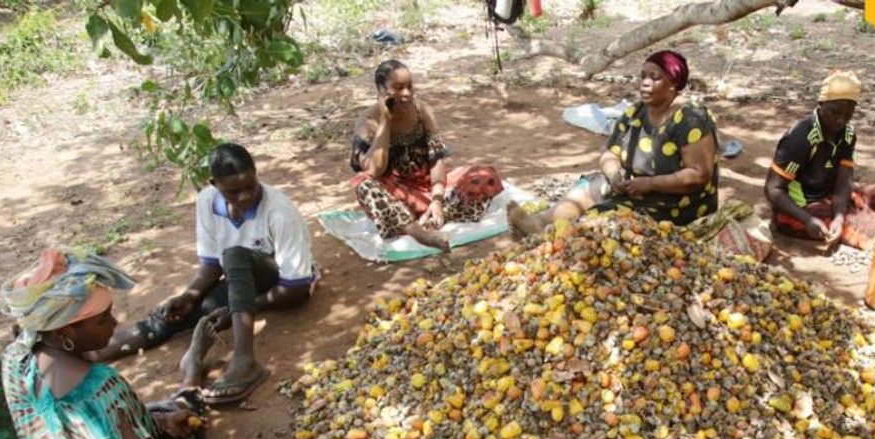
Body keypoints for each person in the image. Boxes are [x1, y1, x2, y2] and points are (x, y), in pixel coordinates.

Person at [0, 250, 265, 439]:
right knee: (187, 422)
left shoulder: (16, 356)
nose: (115, 323)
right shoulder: (101, 387)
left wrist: (159, 423)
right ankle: (191, 371)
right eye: (103, 320)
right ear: (65, 334)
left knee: (157, 415)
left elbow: (78, 430)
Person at [98, 143, 316, 405]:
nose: (245, 196)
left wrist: (243, 309)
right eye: (234, 191)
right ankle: (98, 349)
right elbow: (213, 264)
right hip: (239, 280)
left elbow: (296, 288)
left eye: (251, 185)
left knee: (235, 255)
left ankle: (244, 360)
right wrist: (190, 295)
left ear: (256, 173)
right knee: (183, 311)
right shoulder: (207, 201)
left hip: (278, 281)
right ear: (214, 184)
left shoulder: (280, 212)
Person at [507, 50, 719, 235]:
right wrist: (614, 175)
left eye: (655, 78)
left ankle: (559, 237)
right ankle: (541, 223)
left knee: (601, 222)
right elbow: (610, 153)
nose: (645, 83)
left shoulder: (691, 119)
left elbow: (698, 174)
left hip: (677, 202)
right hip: (635, 187)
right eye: (643, 76)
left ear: (673, 84)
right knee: (590, 186)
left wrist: (649, 184)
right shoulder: (635, 113)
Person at [352, 59, 504, 251]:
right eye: (398, 88)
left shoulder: (421, 110)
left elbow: (436, 158)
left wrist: (437, 200)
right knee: (363, 185)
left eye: (409, 87)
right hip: (397, 195)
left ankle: (435, 215)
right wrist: (385, 122)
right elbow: (374, 170)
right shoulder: (367, 122)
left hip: (428, 188)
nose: (407, 94)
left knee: (484, 175)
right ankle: (417, 232)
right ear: (382, 91)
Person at [764, 71, 875, 251]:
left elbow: (844, 182)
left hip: (829, 195)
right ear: (821, 104)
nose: (840, 120)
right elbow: (773, 189)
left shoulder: (847, 135)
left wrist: (839, 217)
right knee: (867, 227)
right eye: (834, 112)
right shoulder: (800, 138)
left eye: (847, 114)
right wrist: (807, 219)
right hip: (802, 207)